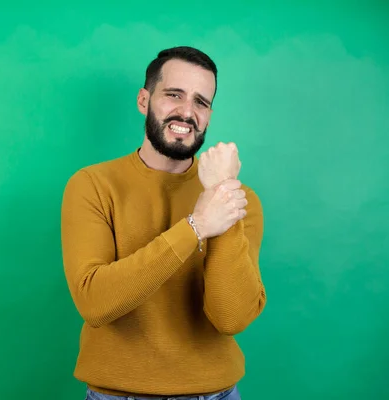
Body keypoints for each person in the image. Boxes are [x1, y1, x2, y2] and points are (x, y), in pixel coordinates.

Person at [60, 46, 266, 400]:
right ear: (144, 100)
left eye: (201, 102)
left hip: (216, 394)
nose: (187, 112)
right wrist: (196, 225)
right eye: (174, 95)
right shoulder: (92, 185)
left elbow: (230, 318)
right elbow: (95, 304)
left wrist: (221, 192)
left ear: (209, 115)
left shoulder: (237, 196)